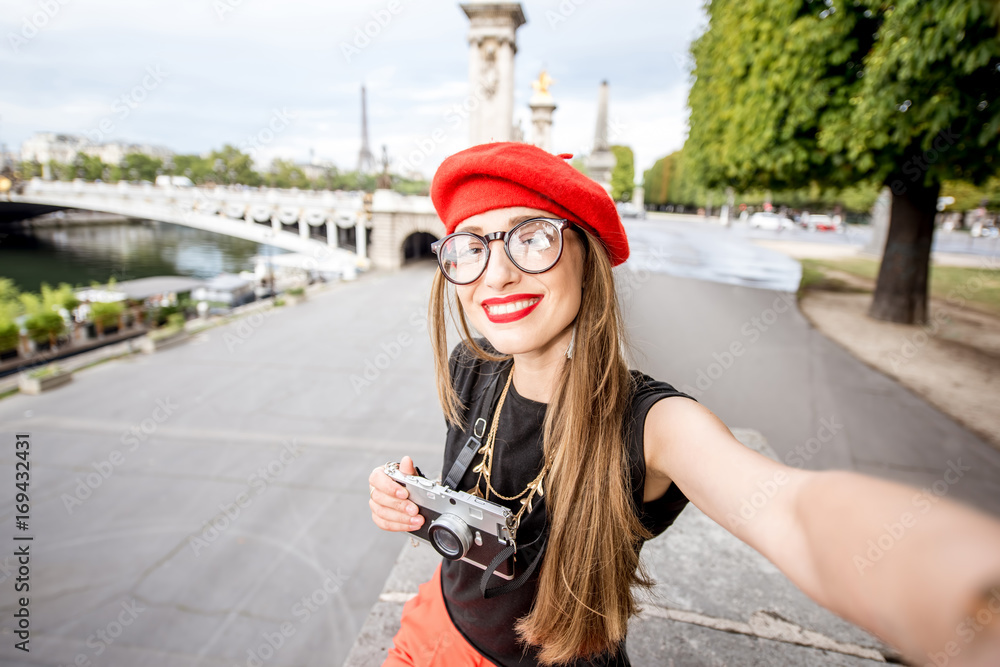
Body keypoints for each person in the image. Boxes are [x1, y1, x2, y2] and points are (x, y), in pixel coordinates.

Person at [368, 142, 1000, 667]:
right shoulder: (471, 366)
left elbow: (792, 510)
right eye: (472, 246)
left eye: (532, 238)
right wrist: (416, 500)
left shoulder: (653, 426)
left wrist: (961, 588)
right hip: (433, 629)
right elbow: (490, 507)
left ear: (587, 257)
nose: (497, 274)